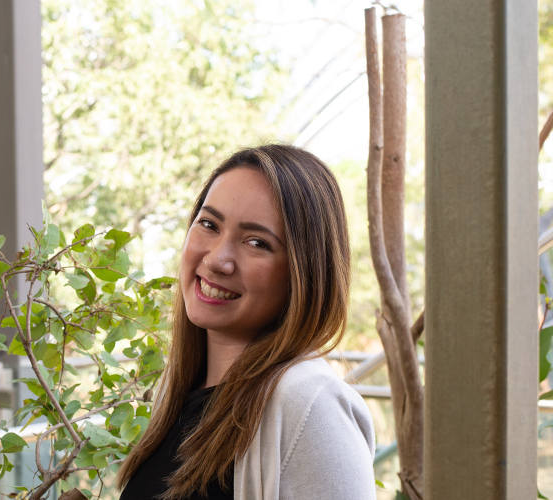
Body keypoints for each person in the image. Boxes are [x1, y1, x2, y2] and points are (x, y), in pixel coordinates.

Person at [118, 145, 375, 499]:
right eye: (209, 224)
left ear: (304, 273)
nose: (218, 260)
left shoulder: (310, 406)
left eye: (256, 242)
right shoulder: (176, 396)